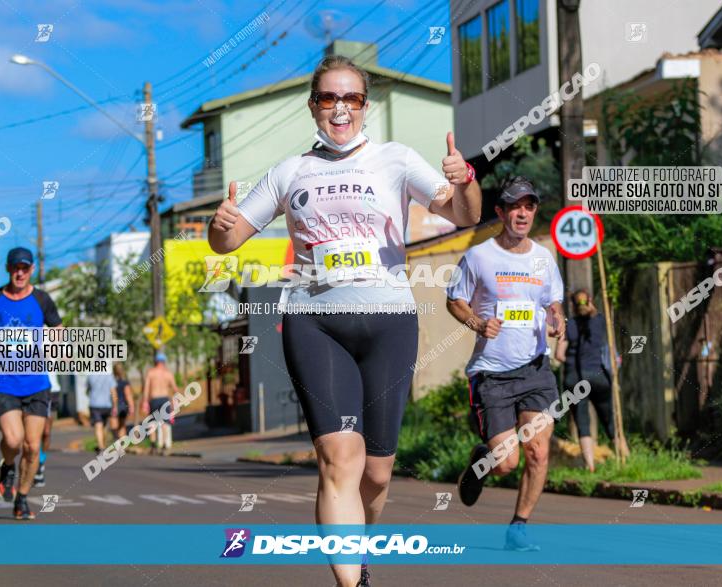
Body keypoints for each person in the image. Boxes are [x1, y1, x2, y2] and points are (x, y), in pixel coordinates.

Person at [208, 55, 480, 587]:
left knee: (376, 474)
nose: (339, 109)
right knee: (339, 459)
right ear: (313, 106)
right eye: (328, 98)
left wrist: (465, 178)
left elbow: (465, 215)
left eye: (350, 98)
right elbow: (228, 240)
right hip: (315, 321)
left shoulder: (395, 159)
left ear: (364, 106)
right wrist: (219, 226)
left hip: (390, 322)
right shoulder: (291, 172)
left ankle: (361, 553)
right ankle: (351, 582)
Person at [446, 176, 565, 552]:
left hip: (535, 369)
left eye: (529, 206)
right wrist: (479, 323)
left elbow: (553, 303)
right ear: (500, 212)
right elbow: (454, 301)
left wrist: (557, 320)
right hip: (492, 375)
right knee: (507, 464)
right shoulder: (479, 256)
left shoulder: (544, 258)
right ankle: (484, 459)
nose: (523, 213)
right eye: (516, 206)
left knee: (540, 451)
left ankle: (519, 527)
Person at [0, 247, 62, 520]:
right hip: (4, 379)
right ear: (8, 270)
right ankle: (7, 465)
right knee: (13, 439)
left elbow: (57, 329)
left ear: (31, 269)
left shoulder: (43, 300)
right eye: (15, 268)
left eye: (25, 268)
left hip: (37, 382)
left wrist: (55, 348)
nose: (20, 273)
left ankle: (21, 497)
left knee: (33, 447)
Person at [554, 290, 626, 471]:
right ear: (591, 301)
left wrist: (570, 360)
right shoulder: (602, 321)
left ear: (572, 305)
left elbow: (559, 355)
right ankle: (626, 459)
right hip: (600, 377)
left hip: (575, 379)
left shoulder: (568, 325)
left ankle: (590, 465)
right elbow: (610, 347)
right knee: (610, 420)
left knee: (583, 423)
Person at [141, 353, 177, 456]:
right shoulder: (168, 373)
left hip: (154, 399)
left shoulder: (151, 373)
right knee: (165, 423)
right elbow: (175, 388)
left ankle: (153, 446)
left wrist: (145, 401)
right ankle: (165, 446)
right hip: (165, 399)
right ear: (164, 362)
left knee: (152, 423)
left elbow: (146, 389)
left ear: (156, 361)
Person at [34, 372, 61, 487]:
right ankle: (35, 465)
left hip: (53, 390)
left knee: (46, 432)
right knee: (35, 431)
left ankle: (41, 461)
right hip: (35, 388)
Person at [86, 371, 116, 452]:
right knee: (104, 426)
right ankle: (102, 445)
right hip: (107, 405)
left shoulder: (91, 375)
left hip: (95, 404)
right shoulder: (109, 376)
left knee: (98, 425)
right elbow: (113, 392)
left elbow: (88, 389)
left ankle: (101, 446)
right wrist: (115, 406)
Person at [111, 364, 133, 439]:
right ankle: (121, 445)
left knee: (114, 425)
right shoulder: (124, 382)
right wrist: (131, 406)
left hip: (114, 405)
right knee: (122, 425)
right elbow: (128, 395)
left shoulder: (111, 382)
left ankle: (116, 440)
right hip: (123, 406)